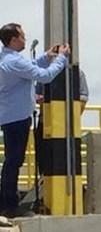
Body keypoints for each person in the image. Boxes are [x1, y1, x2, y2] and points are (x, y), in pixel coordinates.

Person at [0, 23, 69, 216]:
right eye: (22, 37)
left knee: (13, 159)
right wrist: (61, 58)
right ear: (13, 40)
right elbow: (44, 76)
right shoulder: (13, 61)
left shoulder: (8, 59)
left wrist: (47, 57)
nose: (24, 40)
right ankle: (9, 204)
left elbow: (30, 67)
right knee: (14, 160)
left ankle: (7, 201)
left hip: (12, 115)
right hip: (17, 117)